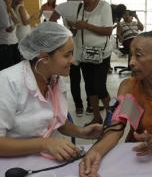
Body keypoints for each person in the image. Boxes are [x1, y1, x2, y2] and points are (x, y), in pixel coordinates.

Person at [79, 30, 152, 177]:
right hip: (139, 154)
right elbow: (116, 128)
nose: (131, 62)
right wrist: (96, 152)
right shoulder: (129, 87)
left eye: (138, 56)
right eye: (131, 55)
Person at [0, 22, 102, 160]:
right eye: (67, 55)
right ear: (44, 58)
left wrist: (81, 132)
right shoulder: (7, 82)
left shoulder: (55, 80)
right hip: (13, 162)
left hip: (44, 158)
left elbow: (55, 120)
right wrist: (44, 144)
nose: (73, 60)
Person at [68, 0, 113, 125]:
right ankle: (96, 117)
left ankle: (112, 117)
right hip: (84, 54)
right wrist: (73, 27)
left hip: (101, 54)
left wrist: (86, 25)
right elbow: (77, 32)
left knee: (100, 86)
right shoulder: (80, 8)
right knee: (89, 87)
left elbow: (108, 31)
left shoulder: (103, 6)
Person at [50, 0, 95, 116]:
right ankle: (90, 107)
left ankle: (79, 107)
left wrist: (65, 32)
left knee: (74, 80)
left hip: (69, 49)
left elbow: (51, 24)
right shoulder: (87, 6)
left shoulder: (62, 7)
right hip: (86, 47)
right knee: (88, 79)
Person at [0, 0, 21, 71]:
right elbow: (9, 29)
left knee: (17, 67)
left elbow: (17, 22)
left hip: (14, 42)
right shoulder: (1, 13)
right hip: (5, 45)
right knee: (8, 69)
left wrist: (10, 10)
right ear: (2, 0)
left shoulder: (10, 10)